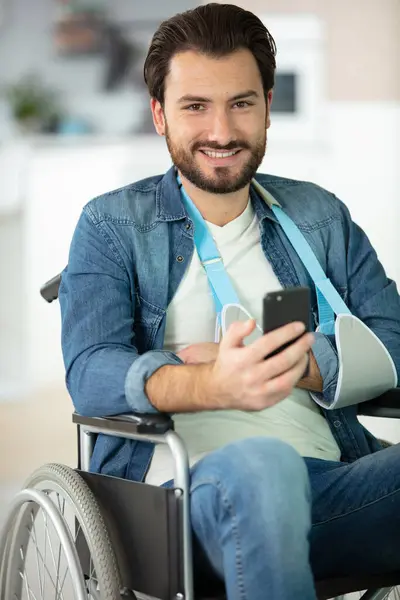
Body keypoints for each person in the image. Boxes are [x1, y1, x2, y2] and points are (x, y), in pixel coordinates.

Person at [59, 4, 400, 599]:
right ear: (160, 115)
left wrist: (301, 364)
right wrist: (212, 383)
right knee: (261, 465)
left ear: (267, 104)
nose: (221, 131)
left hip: (334, 488)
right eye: (196, 106)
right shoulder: (112, 225)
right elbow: (90, 371)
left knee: (281, 466)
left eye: (241, 103)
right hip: (188, 500)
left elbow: (393, 340)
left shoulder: (319, 217)